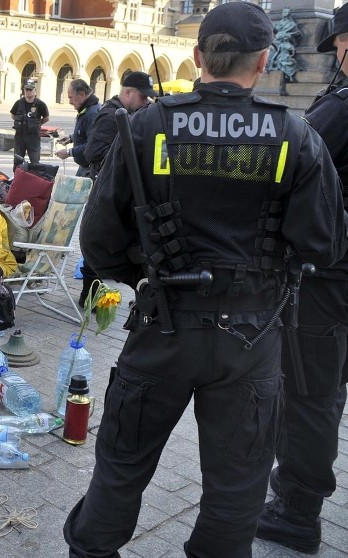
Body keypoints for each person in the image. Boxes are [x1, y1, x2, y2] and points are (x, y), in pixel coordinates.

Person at [62, 3, 347, 556]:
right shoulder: (296, 134)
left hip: (163, 324)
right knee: (237, 485)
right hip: (253, 335)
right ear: (263, 60)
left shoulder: (148, 125)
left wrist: (146, 270)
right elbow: (325, 243)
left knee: (122, 464)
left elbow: (97, 240)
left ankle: (92, 550)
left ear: (197, 57)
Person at [256, 5, 348, 553]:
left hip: (329, 279)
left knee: (312, 393)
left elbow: (285, 167)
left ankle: (297, 508)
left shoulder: (339, 110)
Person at [78, 71, 155, 306]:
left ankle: (91, 294)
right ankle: (89, 296)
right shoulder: (113, 116)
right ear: (128, 92)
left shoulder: (122, 114)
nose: (146, 103)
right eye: (144, 98)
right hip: (107, 185)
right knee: (102, 239)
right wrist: (121, 155)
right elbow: (92, 153)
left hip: (114, 184)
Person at [56, 78, 99, 177]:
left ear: (82, 94)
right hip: (85, 166)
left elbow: (92, 144)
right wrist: (71, 138)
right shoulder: (86, 109)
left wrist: (69, 152)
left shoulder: (92, 113)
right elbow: (84, 132)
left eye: (71, 97)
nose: (70, 101)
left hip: (90, 169)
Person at [10, 80, 50, 170]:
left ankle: (34, 181)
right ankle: (17, 180)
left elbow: (46, 118)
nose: (28, 92)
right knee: (17, 161)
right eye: (27, 89)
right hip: (20, 136)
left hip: (33, 137)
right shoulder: (19, 103)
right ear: (24, 90)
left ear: (35, 91)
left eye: (30, 90)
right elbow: (13, 115)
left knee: (35, 162)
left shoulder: (40, 104)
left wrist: (37, 124)